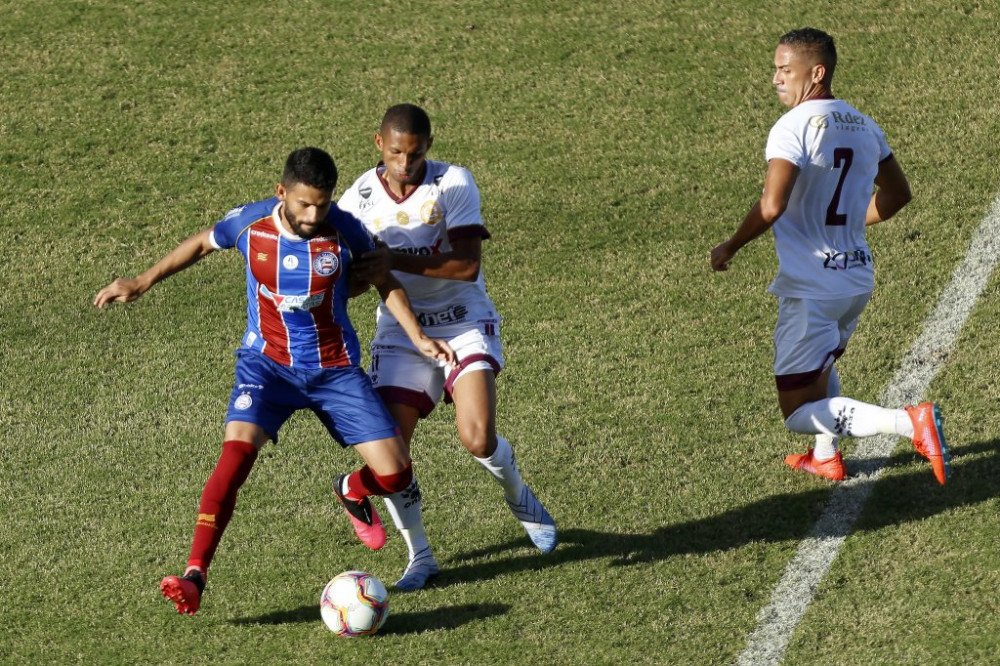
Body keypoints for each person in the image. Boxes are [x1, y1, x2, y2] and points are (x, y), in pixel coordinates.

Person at [93, 147, 455, 615]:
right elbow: (202, 243)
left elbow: (384, 280)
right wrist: (141, 282)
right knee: (234, 457)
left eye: (321, 205)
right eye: (304, 204)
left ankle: (352, 489)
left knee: (396, 473)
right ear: (281, 192)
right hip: (266, 366)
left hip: (334, 370)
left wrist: (419, 337)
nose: (313, 216)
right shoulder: (251, 224)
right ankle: (194, 574)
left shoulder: (345, 229)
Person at [709, 28, 950, 484]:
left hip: (812, 288)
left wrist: (731, 245)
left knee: (797, 410)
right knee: (821, 363)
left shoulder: (792, 126)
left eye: (785, 70)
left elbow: (771, 206)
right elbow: (897, 195)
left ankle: (908, 423)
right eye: (776, 69)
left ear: (816, 72)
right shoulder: (865, 125)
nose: (776, 79)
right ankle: (825, 456)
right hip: (854, 280)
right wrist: (845, 225)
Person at [340, 103, 556, 591]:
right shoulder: (358, 199)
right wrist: (353, 278)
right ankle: (420, 556)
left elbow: (466, 266)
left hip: (463, 321)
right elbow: (353, 279)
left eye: (415, 154)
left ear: (429, 148)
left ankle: (520, 497)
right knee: (392, 458)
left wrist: (391, 259)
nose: (405, 164)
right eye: (396, 153)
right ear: (379, 144)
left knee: (477, 438)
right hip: (401, 332)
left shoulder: (453, 182)